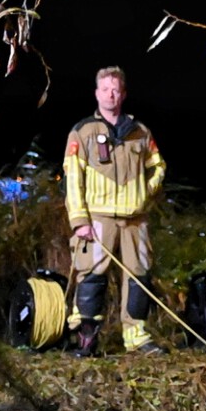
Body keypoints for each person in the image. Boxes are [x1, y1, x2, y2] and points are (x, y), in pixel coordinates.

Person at [63, 66, 165, 356]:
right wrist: (79, 220)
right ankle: (86, 339)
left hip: (135, 220)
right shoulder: (82, 131)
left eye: (116, 89)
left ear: (124, 94)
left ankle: (137, 338)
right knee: (92, 275)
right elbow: (73, 178)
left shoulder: (140, 132)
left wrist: (145, 193)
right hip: (98, 219)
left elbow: (158, 167)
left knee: (139, 276)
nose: (111, 94)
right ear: (96, 93)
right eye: (105, 88)